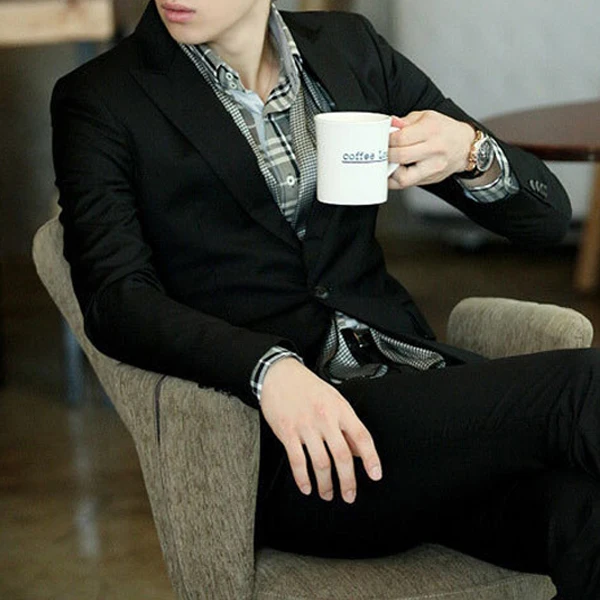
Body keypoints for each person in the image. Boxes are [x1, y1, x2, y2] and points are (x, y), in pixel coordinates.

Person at [51, 1, 599, 597]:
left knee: (581, 512)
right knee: (580, 388)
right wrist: (267, 369)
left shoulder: (349, 49)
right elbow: (115, 299)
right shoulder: (102, 98)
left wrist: (472, 152)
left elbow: (546, 218)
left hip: (412, 400)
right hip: (289, 450)